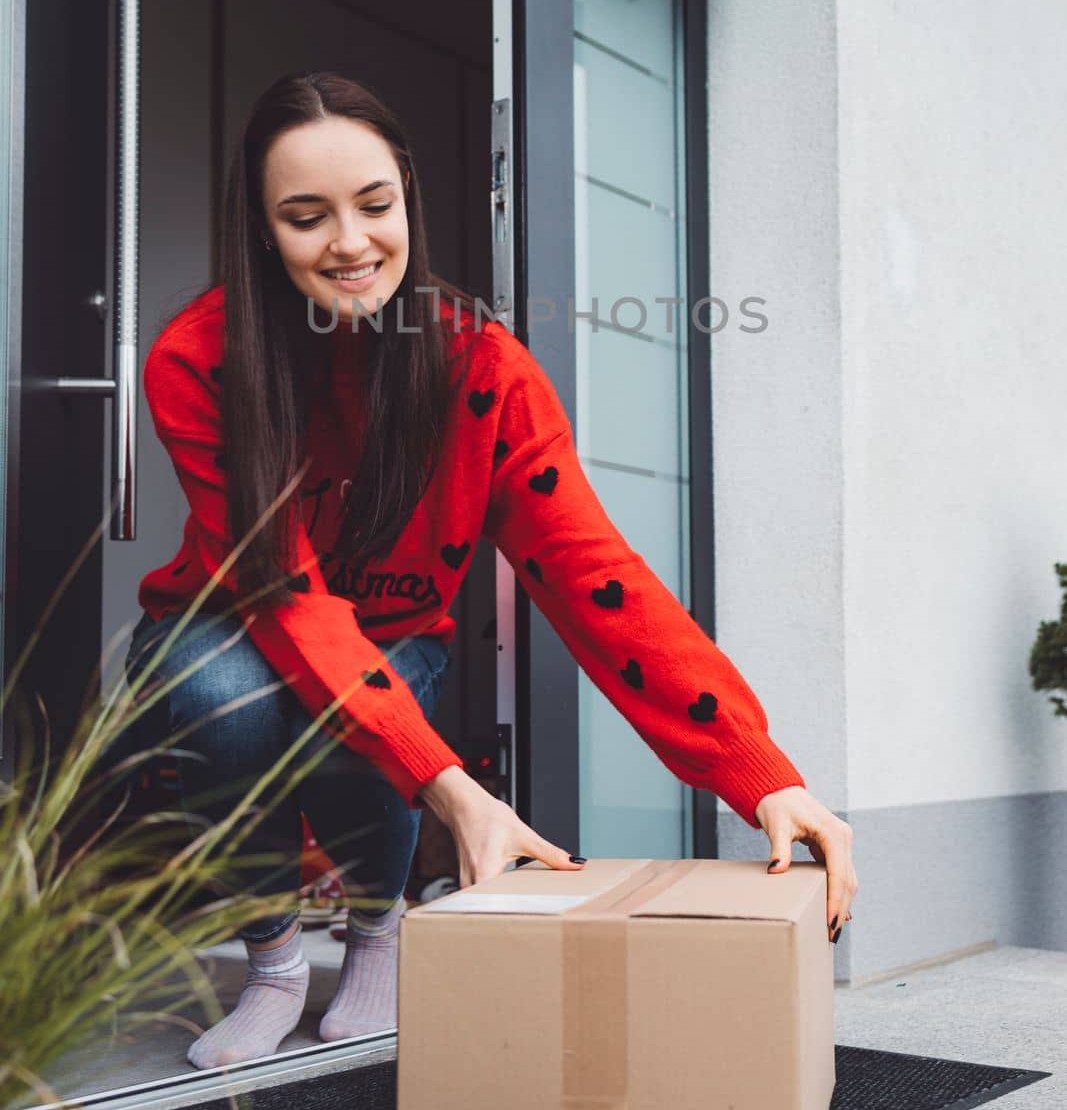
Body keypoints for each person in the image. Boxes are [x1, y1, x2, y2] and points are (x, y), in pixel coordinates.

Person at [131, 69, 858, 1070]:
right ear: (261, 229)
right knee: (232, 694)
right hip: (231, 624)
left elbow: (590, 571)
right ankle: (271, 963)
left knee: (367, 706)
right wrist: (451, 788)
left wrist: (756, 770)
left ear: (409, 204)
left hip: (391, 630)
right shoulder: (197, 359)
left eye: (373, 206)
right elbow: (283, 595)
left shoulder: (479, 367)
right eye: (306, 217)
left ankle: (375, 937)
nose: (348, 243)